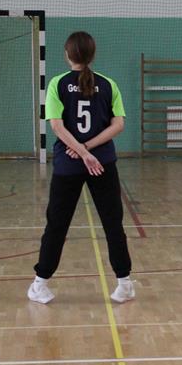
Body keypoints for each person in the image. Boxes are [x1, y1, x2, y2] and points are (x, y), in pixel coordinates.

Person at [29, 31, 136, 305]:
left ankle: (40, 284)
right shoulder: (108, 84)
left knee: (57, 225)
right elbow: (118, 125)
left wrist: (80, 150)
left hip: (69, 165)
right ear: (92, 55)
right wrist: (88, 149)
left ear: (67, 55)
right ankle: (124, 283)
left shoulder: (57, 83)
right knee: (113, 224)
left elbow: (56, 126)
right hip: (103, 163)